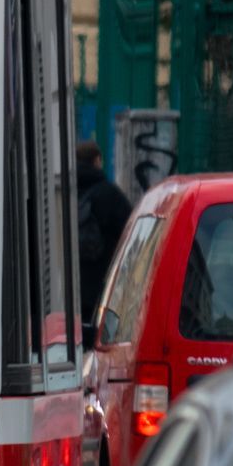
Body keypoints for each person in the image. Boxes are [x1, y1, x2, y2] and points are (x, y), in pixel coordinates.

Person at [75, 138, 132, 328]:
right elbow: (130, 232)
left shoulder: (66, 192)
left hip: (71, 289)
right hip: (102, 285)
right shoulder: (109, 194)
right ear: (97, 160)